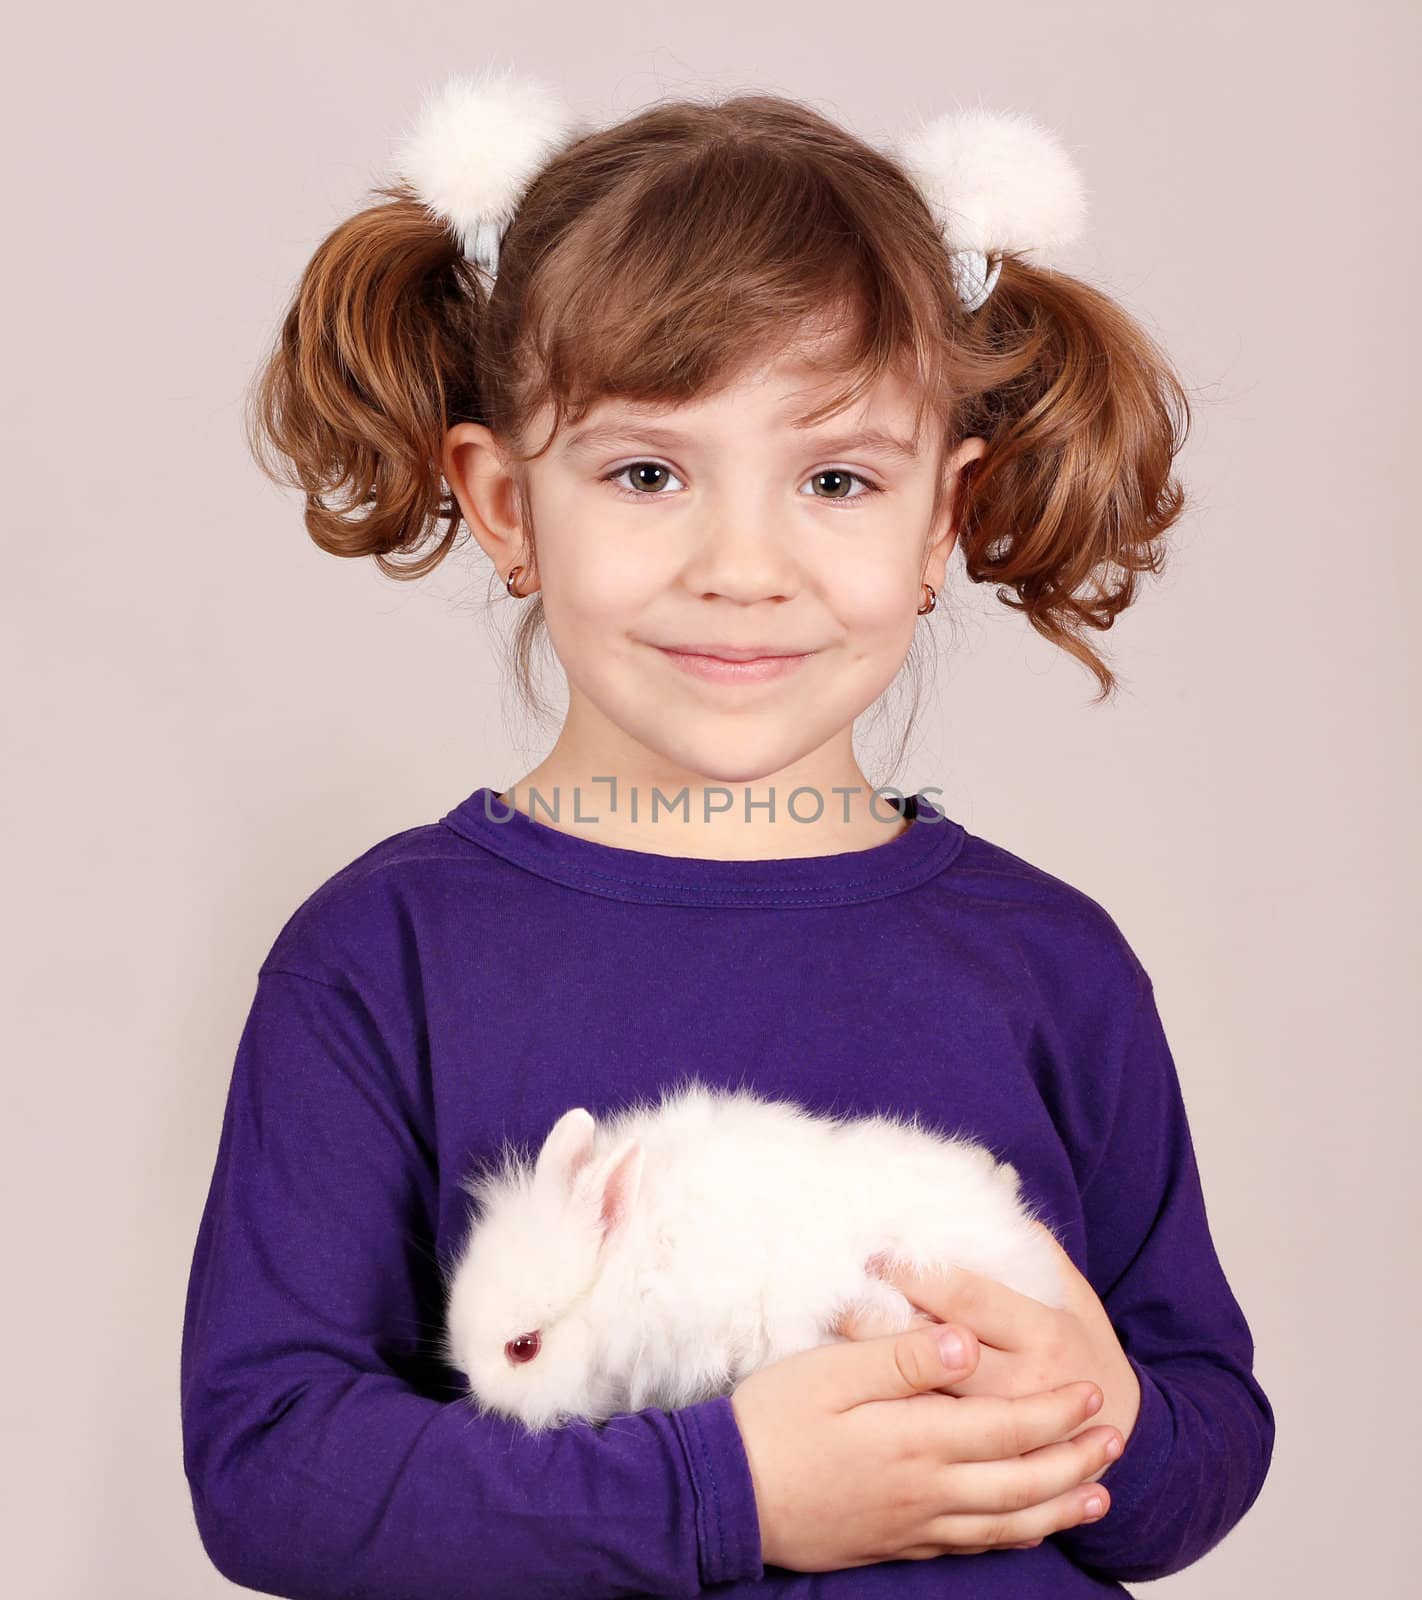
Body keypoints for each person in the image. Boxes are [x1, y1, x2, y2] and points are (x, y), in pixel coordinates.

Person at [180, 69, 1275, 1598]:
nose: (743, 566)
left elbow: (1200, 1437)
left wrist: (1107, 1415)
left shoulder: (1050, 960)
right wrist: (730, 1492)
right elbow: (274, 1470)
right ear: (504, 505)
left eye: (835, 479)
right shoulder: (384, 954)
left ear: (937, 523)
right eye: (645, 473)